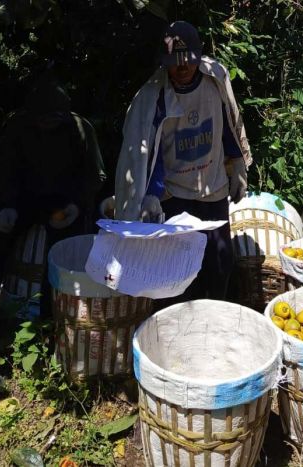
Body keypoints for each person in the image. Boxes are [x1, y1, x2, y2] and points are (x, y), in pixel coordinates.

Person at [113, 20, 252, 302]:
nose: (182, 67)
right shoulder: (154, 98)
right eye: (175, 63)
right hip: (174, 193)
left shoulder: (214, 81)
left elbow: (228, 124)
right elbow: (148, 151)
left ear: (198, 58)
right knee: (176, 272)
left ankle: (214, 317)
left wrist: (237, 164)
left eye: (188, 61)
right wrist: (150, 195)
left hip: (212, 188)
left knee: (219, 265)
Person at [0, 77, 106, 323]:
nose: (46, 124)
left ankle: (50, 318)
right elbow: (8, 169)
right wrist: (8, 204)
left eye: (53, 118)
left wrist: (76, 203)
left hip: (64, 202)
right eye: (41, 118)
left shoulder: (80, 129)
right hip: (25, 199)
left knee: (61, 253)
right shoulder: (18, 127)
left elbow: (94, 176)